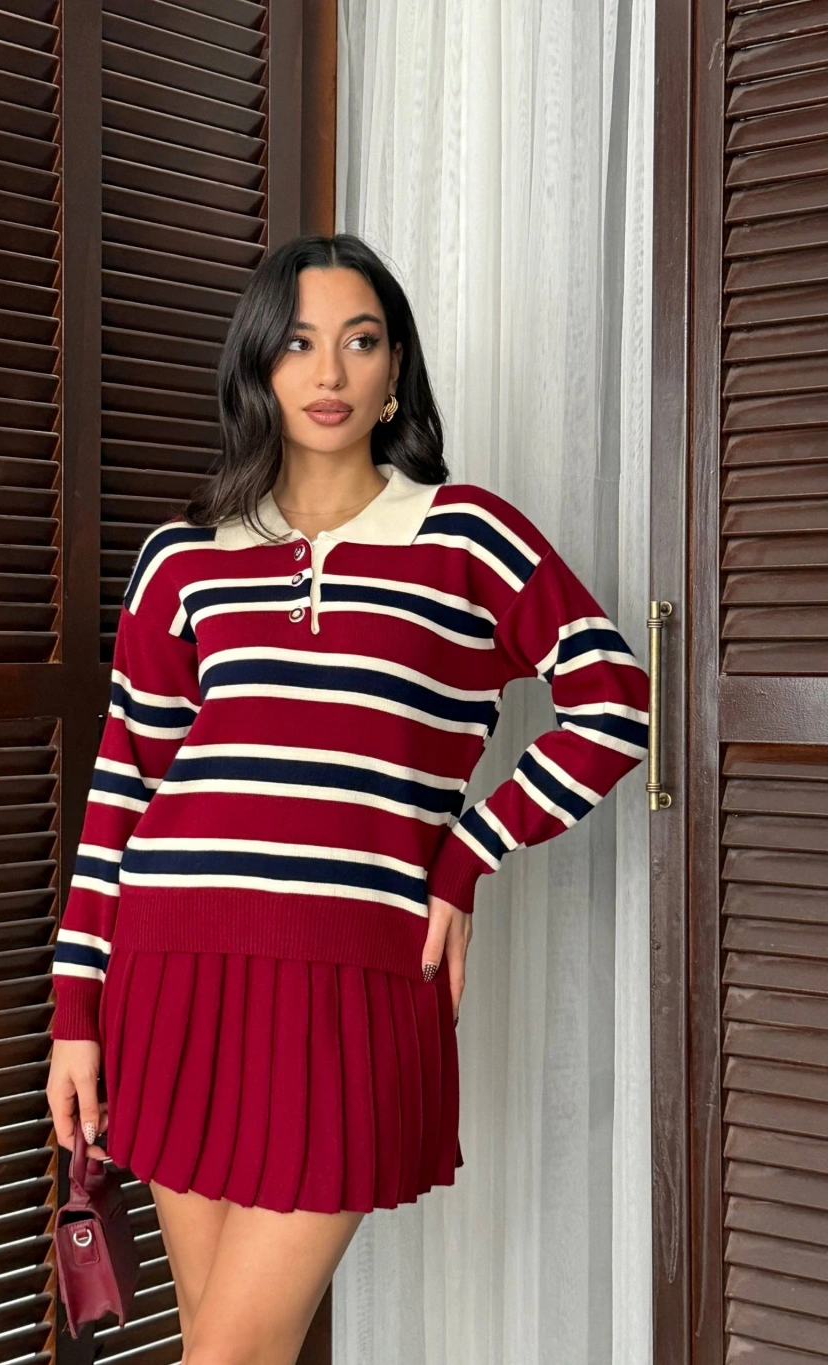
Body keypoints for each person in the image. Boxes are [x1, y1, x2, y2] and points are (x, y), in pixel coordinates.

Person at [46, 232, 650, 1363]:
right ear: (258, 366)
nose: (327, 373)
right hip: (172, 970)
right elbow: (124, 787)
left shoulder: (467, 538)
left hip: (352, 985)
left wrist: (465, 853)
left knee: (229, 1353)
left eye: (359, 343)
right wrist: (75, 1011)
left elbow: (614, 701)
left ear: (394, 369)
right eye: (298, 344)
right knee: (227, 1346)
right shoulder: (184, 557)